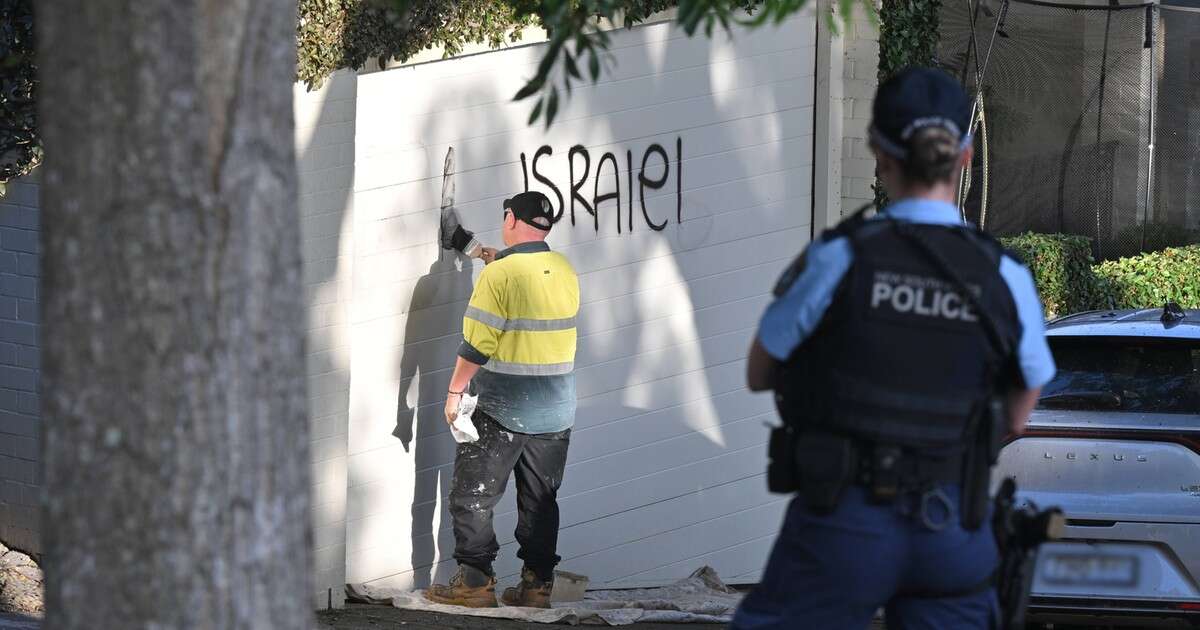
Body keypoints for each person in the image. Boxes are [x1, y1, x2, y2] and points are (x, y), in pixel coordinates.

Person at [730, 67, 1056, 629]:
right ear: (966, 157)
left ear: (879, 153)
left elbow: (760, 371)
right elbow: (1022, 411)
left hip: (844, 525)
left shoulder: (840, 257)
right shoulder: (1005, 273)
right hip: (954, 523)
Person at [425, 190, 580, 609]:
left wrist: (455, 392)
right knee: (540, 501)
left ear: (510, 218)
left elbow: (477, 346)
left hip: (504, 407)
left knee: (473, 495)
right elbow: (523, 282)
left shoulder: (501, 276)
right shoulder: (563, 268)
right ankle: (536, 587)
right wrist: (476, 250)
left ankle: (474, 584)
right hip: (556, 411)